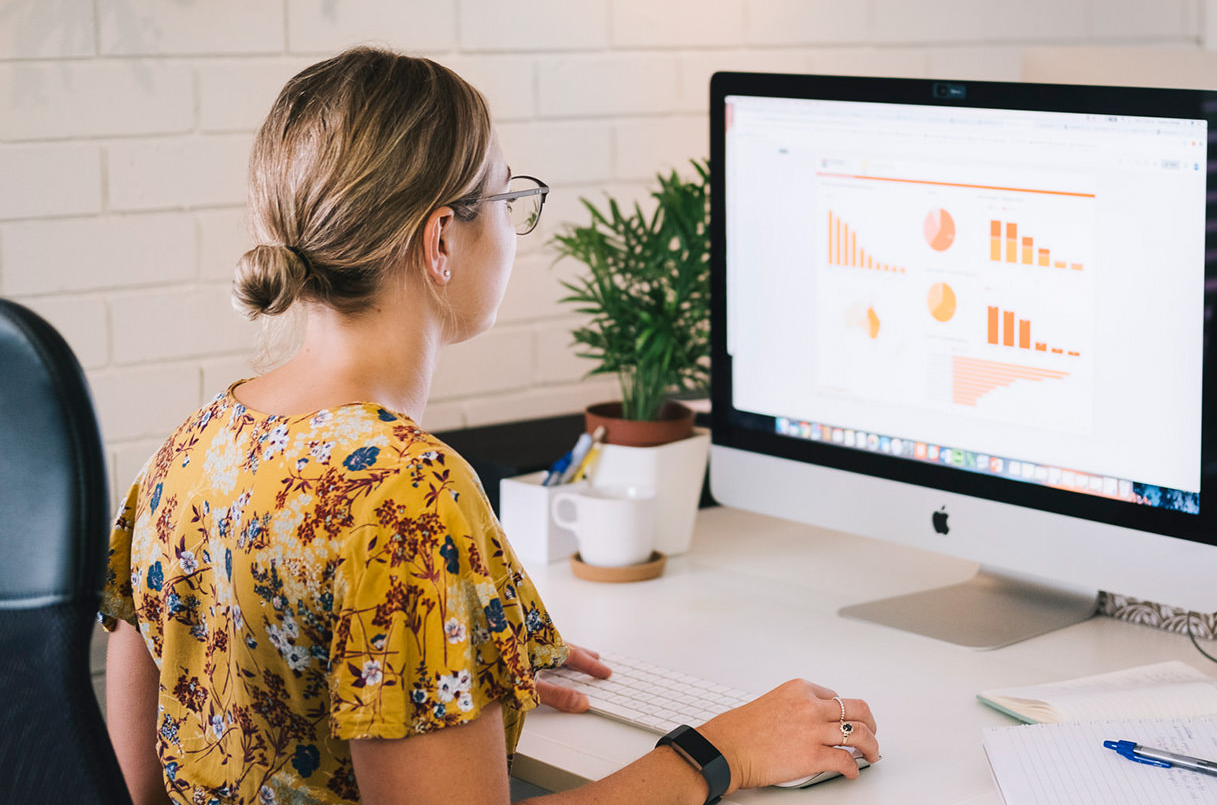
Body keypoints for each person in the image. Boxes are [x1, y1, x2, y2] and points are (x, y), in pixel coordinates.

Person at [99, 47, 880, 805]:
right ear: (440, 241)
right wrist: (721, 753)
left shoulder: (185, 452)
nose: (513, 230)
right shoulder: (405, 494)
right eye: (508, 202)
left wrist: (449, 668)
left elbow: (141, 784)